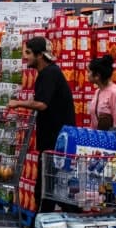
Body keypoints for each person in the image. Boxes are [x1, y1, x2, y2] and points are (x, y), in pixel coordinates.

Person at [7, 36, 75, 215]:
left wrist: (18, 104)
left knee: (46, 185)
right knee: (49, 185)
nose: (25, 57)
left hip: (56, 141)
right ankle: (42, 226)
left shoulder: (49, 74)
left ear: (40, 55)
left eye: (28, 53)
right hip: (53, 139)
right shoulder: (47, 74)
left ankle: (39, 227)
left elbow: (42, 104)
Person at [88, 55, 116, 131]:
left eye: (89, 72)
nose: (88, 75)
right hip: (97, 139)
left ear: (97, 76)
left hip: (110, 140)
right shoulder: (98, 92)